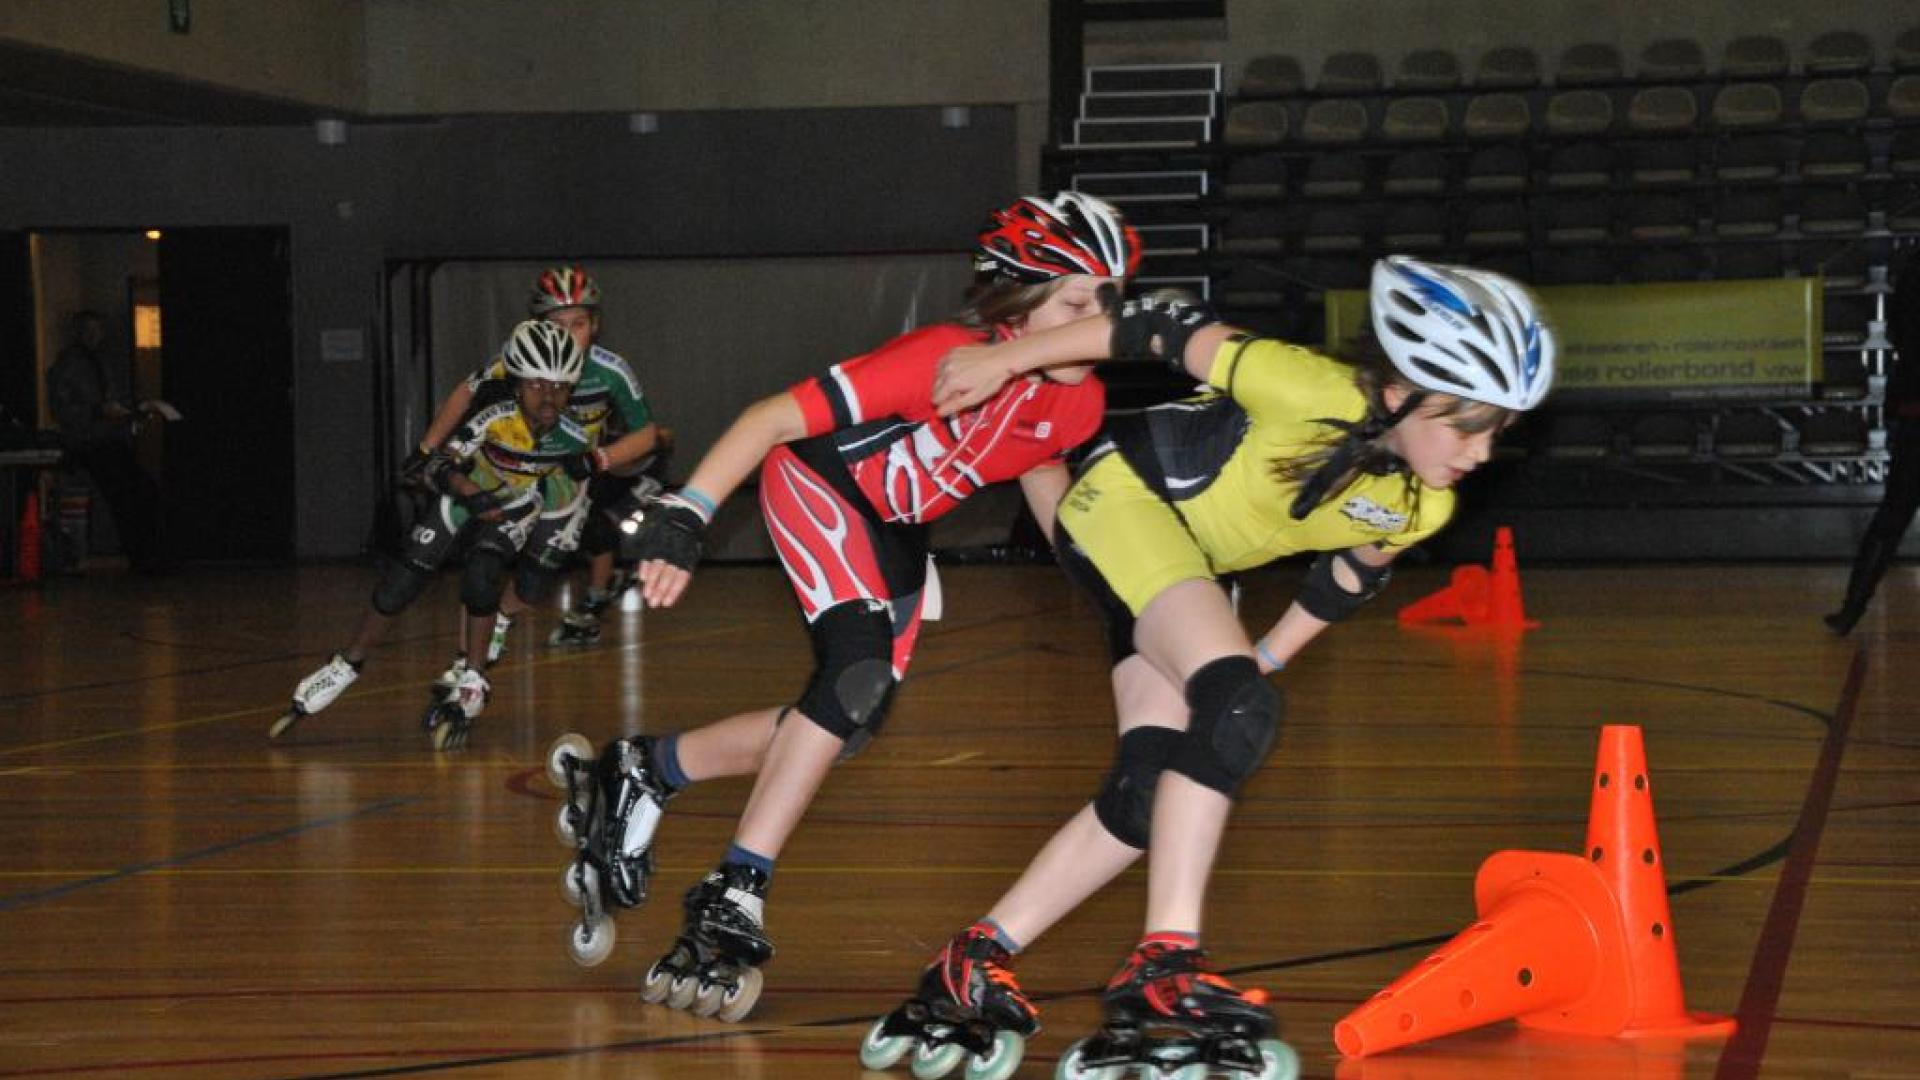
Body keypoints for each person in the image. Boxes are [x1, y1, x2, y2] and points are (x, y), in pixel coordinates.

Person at [860, 256, 1558, 1079]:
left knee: (1147, 788)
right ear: (1402, 393)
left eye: (1497, 431)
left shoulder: (1423, 504)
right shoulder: (1306, 386)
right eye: (1467, 425)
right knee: (1235, 707)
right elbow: (1155, 325)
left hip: (1186, 565)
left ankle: (972, 959)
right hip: (1124, 501)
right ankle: (1166, 960)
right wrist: (1007, 359)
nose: (1481, 450)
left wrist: (1264, 657)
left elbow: (1343, 579)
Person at [561, 193, 1142, 1021]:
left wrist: (1108, 589)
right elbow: (769, 417)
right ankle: (736, 886)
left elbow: (1042, 468)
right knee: (855, 673)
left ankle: (647, 769)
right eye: (1077, 303)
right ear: (1019, 305)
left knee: (846, 724)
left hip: (896, 526)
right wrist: (688, 513)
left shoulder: (1080, 399)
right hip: (818, 481)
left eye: (1110, 303)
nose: (1098, 322)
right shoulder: (941, 357)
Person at [272, 319, 592, 749]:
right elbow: (440, 465)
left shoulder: (575, 436)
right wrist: (465, 487)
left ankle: (473, 677)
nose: (549, 397)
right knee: (401, 583)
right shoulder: (495, 413)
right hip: (466, 493)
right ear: (516, 383)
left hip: (513, 505)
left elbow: (592, 480)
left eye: (560, 387)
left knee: (483, 574)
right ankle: (347, 663)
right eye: (537, 385)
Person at [408, 266, 665, 665]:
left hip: (566, 479)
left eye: (578, 324)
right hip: (509, 471)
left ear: (595, 325)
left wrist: (599, 458)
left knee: (535, 582)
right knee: (482, 565)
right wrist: (427, 448)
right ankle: (465, 662)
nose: (568, 335)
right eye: (556, 325)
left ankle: (502, 617)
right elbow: (466, 391)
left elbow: (646, 434)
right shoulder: (520, 356)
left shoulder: (611, 371)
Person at [1826, 245, 1920, 635]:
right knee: (1893, 514)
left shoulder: (1913, 269)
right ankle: (1851, 606)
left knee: (1893, 514)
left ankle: (1852, 607)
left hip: (1914, 407)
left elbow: (1900, 332)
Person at [44, 311, 167, 573]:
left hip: (108, 437)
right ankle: (142, 555)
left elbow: (108, 401)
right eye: (88, 331)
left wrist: (126, 414)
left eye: (97, 330)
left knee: (143, 488)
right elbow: (63, 410)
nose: (94, 336)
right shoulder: (68, 367)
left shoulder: (101, 364)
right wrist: (97, 411)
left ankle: (149, 551)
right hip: (88, 441)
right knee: (124, 493)